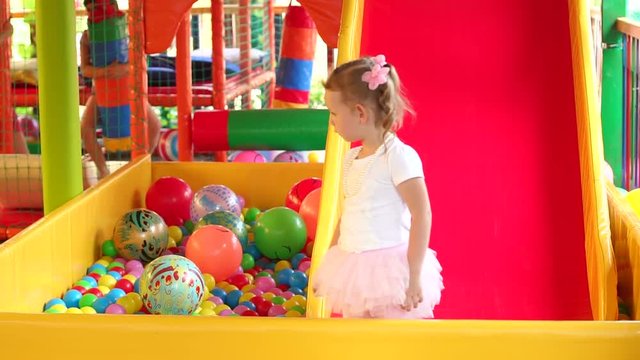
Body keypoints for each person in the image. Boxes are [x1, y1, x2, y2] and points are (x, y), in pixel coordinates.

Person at [313, 55, 443, 319]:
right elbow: (348, 213)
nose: (332, 121)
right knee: (360, 343)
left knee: (393, 342)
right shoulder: (351, 158)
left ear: (360, 113)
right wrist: (330, 262)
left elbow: (422, 214)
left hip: (389, 272)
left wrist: (414, 275)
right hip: (354, 267)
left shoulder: (398, 157)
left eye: (334, 114)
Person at [80, 0, 160, 179]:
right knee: (86, 128)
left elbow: (141, 61)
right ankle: (103, 170)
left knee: (154, 125)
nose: (97, 12)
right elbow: (85, 69)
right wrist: (106, 71)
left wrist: (122, 69)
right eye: (92, 9)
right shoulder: (87, 37)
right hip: (100, 91)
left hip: (128, 90)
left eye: (99, 7)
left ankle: (141, 162)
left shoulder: (126, 31)